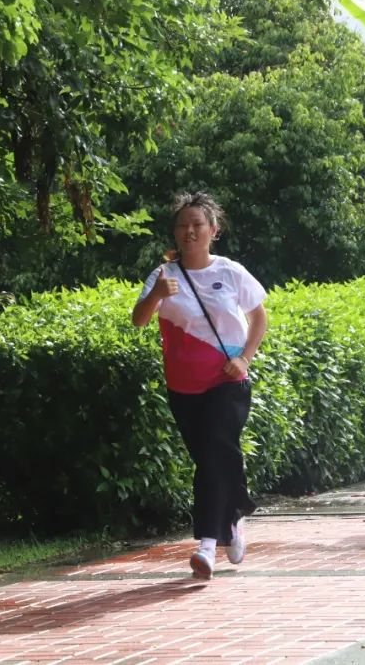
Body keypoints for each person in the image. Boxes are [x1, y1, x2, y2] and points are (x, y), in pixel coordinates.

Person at [131, 192, 268, 579]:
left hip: (227, 381)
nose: (190, 231)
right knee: (211, 459)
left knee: (214, 454)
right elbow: (139, 320)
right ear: (175, 233)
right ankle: (234, 517)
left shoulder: (231, 272)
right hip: (183, 387)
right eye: (182, 225)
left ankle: (207, 545)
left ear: (213, 230)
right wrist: (156, 295)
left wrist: (244, 357)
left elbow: (259, 319)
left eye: (197, 224)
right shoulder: (162, 276)